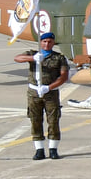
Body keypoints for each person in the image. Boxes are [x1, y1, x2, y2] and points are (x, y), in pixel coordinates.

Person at [18, 31, 70, 161]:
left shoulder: (59, 58)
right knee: (35, 120)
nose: (47, 44)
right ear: (40, 42)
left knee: (53, 120)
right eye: (44, 41)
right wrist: (33, 59)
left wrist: (49, 87)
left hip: (50, 93)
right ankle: (39, 150)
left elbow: (63, 76)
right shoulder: (32, 53)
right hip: (34, 93)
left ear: (53, 43)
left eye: (49, 42)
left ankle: (53, 149)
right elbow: (17, 58)